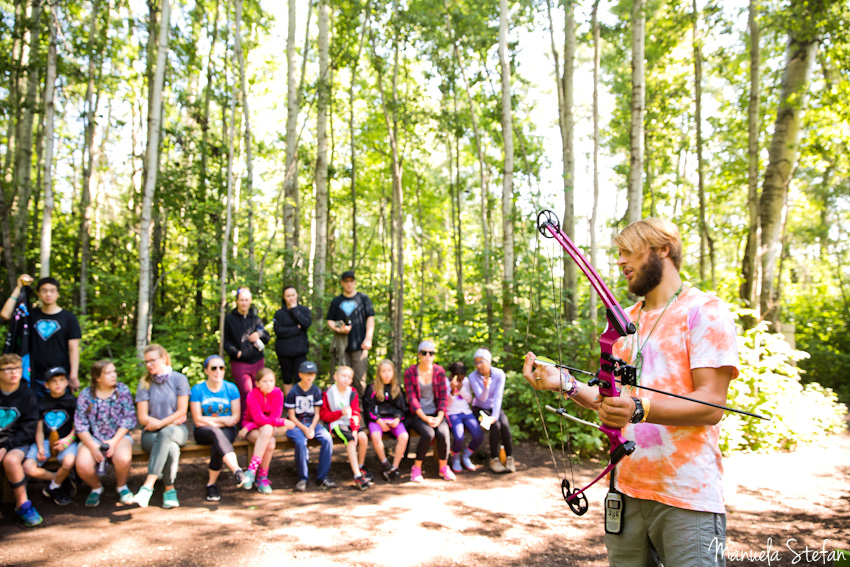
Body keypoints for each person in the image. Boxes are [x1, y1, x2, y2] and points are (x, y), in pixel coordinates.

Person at [522, 217, 739, 567]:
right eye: (618, 253)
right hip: (625, 490)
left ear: (662, 250)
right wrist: (564, 382)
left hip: (685, 495)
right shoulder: (623, 321)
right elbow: (612, 403)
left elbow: (712, 404)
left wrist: (639, 408)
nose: (620, 261)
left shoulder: (703, 311)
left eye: (627, 252)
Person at [1, 274, 81, 395]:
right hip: (33, 376)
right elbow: (5, 314)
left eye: (52, 291)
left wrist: (73, 376)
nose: (48, 294)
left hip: (59, 378)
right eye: (44, 291)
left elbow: (74, 349)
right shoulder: (30, 316)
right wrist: (18, 288)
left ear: (58, 293)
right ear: (38, 293)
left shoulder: (69, 318)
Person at [134, 344, 190, 509]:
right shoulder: (144, 383)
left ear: (164, 358)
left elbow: (181, 410)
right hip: (150, 434)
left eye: (152, 360)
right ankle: (169, 490)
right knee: (171, 446)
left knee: (167, 433)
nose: (149, 365)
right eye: (146, 362)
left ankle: (147, 486)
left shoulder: (179, 379)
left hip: (177, 431)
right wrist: (166, 423)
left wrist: (159, 423)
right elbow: (143, 417)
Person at [74, 359, 137, 507]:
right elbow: (80, 424)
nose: (113, 375)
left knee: (123, 458)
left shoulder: (122, 390)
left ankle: (121, 487)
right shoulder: (86, 395)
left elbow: (129, 418)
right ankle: (96, 488)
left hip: (118, 436)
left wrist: (114, 442)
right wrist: (92, 446)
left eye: (114, 371)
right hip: (93, 438)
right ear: (97, 377)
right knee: (82, 465)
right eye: (108, 373)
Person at [190, 355, 251, 501]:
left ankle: (212, 484)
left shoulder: (231, 388)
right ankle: (237, 470)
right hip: (203, 432)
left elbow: (235, 418)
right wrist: (221, 422)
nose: (218, 371)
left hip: (225, 430)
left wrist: (211, 421)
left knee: (217, 442)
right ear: (206, 371)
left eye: (221, 368)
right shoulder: (198, 389)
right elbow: (197, 419)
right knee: (215, 433)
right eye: (213, 368)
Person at [22, 367, 78, 506]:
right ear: (46, 385)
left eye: (61, 380)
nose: (58, 384)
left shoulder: (72, 402)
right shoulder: (41, 403)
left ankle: (52, 487)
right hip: (45, 441)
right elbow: (39, 429)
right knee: (28, 467)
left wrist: (66, 441)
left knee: (69, 461)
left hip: (67, 441)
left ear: (66, 382)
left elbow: (77, 426)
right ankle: (59, 480)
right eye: (53, 381)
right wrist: (40, 447)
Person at [238, 367, 295, 494]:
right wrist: (283, 422)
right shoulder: (252, 395)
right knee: (271, 443)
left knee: (268, 428)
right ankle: (262, 477)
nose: (268, 384)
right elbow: (259, 419)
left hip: (264, 428)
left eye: (271, 381)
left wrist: (250, 425)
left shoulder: (278, 393)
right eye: (264, 381)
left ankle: (251, 471)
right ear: (257, 383)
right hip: (253, 430)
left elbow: (273, 418)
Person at [404, 340, 454, 483]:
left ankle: (444, 467)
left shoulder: (439, 371)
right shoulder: (410, 372)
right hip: (418, 414)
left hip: (436, 412)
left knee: (443, 432)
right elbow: (412, 399)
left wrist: (439, 417)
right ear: (419, 354)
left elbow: (443, 397)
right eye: (424, 353)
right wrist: (425, 418)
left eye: (430, 353)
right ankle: (417, 467)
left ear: (434, 356)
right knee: (428, 433)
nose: (427, 356)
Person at [0, 353, 41, 526]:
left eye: (17, 368)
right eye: (8, 369)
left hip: (18, 441)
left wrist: (5, 446)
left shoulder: (27, 394)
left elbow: (29, 428)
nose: (13, 373)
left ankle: (23, 504)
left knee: (11, 460)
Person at [284, 360, 335, 491]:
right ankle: (302, 478)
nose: (310, 376)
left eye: (312, 374)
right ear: (300, 374)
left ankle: (322, 477)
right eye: (307, 374)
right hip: (296, 425)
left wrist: (311, 428)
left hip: (312, 424)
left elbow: (317, 414)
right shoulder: (293, 392)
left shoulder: (316, 390)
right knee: (301, 443)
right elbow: (291, 416)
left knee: (327, 438)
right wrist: (305, 429)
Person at [223, 287, 271, 421]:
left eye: (246, 300)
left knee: (259, 390)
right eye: (241, 300)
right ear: (237, 301)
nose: (244, 303)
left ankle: (260, 418)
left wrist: (259, 334)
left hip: (257, 360)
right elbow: (226, 342)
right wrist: (237, 353)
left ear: (250, 301)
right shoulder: (230, 319)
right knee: (246, 391)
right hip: (239, 361)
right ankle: (245, 420)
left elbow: (266, 337)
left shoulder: (255, 319)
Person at [320, 365, 370, 490]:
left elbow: (356, 412)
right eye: (343, 376)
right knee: (351, 441)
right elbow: (324, 415)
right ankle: (357, 475)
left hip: (350, 422)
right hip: (336, 423)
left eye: (349, 377)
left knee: (363, 437)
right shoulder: (328, 393)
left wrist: (354, 429)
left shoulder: (352, 392)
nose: (346, 379)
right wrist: (339, 413)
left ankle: (360, 466)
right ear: (335, 377)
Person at [325, 271, 375, 397]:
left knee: (359, 379)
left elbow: (370, 318)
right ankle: (343, 409)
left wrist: (368, 338)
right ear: (342, 283)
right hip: (342, 347)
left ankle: (361, 410)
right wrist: (339, 329)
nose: (349, 284)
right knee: (342, 380)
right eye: (346, 281)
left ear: (354, 282)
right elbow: (329, 320)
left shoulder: (363, 299)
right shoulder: (337, 301)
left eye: (351, 281)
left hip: (360, 346)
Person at [468, 348, 515, 473]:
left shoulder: (499, 374)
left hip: (494, 407)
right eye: (476, 362)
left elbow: (498, 396)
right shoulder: (473, 376)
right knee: (495, 425)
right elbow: (481, 398)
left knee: (504, 425)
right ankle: (494, 459)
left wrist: (495, 415)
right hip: (479, 408)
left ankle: (509, 457)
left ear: (488, 361)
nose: (478, 365)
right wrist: (486, 387)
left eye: (481, 362)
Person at [362, 359, 409, 481]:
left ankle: (394, 467)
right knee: (376, 436)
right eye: (383, 371)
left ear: (393, 372)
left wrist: (397, 419)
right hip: (377, 420)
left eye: (389, 371)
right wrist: (378, 421)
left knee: (404, 436)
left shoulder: (397, 388)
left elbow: (402, 408)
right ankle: (385, 463)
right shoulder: (372, 388)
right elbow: (368, 408)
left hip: (393, 420)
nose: (386, 374)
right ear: (379, 373)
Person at [272, 286, 312, 397]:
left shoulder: (304, 310)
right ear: (284, 297)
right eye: (288, 296)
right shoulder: (279, 313)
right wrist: (296, 329)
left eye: (292, 295)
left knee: (301, 377)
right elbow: (278, 331)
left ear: (297, 295)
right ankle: (289, 404)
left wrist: (295, 310)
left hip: (300, 351)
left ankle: (301, 403)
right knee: (287, 377)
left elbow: (306, 324)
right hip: (284, 352)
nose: (291, 298)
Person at [445, 361, 483, 473]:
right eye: (459, 379)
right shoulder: (445, 382)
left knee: (478, 435)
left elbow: (469, 400)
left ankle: (466, 455)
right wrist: (452, 390)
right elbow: (446, 403)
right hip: (452, 413)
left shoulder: (465, 381)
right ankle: (455, 456)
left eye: (462, 379)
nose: (461, 381)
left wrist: (461, 389)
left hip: (466, 412)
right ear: (452, 375)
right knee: (459, 436)